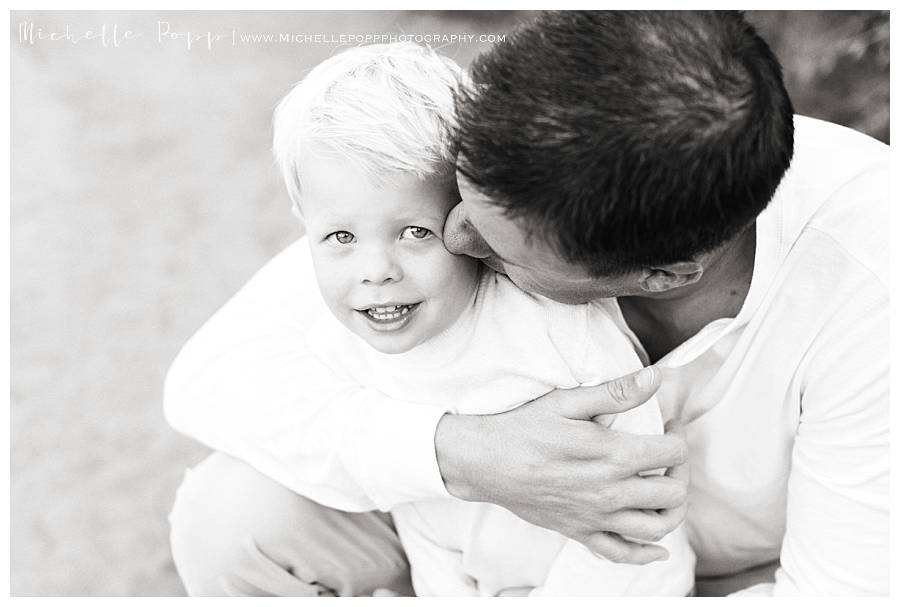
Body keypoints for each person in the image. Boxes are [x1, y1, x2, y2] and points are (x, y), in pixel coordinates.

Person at [165, 11, 889, 597]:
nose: (453, 237)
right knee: (232, 519)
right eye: (456, 204)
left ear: (662, 275)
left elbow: (844, 589)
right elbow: (213, 378)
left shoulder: (870, 284)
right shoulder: (510, 181)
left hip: (738, 578)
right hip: (473, 536)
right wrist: (463, 455)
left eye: (501, 248)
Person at [236, 42, 694, 596]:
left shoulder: (554, 331)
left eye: (415, 232)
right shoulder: (338, 351)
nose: (375, 270)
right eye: (340, 237)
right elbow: (420, 520)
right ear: (302, 222)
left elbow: (642, 512)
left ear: (469, 216)